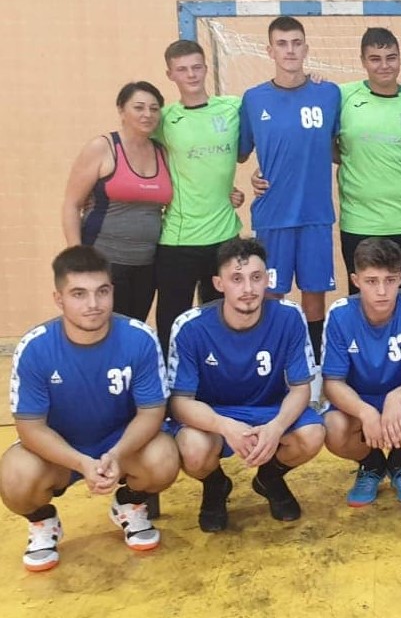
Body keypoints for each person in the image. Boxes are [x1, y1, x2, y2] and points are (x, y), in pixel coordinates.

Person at [1, 246, 178, 572]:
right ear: (59, 299)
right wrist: (80, 462)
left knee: (165, 457)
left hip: (120, 445)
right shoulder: (35, 347)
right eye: (79, 294)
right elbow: (30, 427)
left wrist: (116, 454)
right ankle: (43, 522)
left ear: (112, 291)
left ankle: (129, 505)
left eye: (102, 291)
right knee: (14, 477)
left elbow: (152, 412)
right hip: (61, 451)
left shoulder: (139, 338)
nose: (93, 304)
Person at [167, 238, 325, 532]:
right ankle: (215, 484)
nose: (248, 289)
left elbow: (300, 388)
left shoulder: (289, 316)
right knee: (192, 449)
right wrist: (225, 426)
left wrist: (276, 427)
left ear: (267, 279)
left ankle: (269, 478)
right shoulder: (190, 326)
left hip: (269, 408)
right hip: (215, 413)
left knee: (312, 435)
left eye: (256, 277)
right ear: (219, 283)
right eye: (236, 279)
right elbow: (179, 403)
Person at [239, 15, 342, 370]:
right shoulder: (253, 99)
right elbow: (239, 153)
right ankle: (271, 368)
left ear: (306, 48)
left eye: (296, 43)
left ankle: (315, 374)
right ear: (270, 51)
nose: (290, 50)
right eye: (282, 44)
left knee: (314, 297)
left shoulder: (329, 93)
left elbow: (339, 147)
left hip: (315, 214)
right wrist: (250, 177)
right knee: (271, 295)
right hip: (273, 216)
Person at [322, 238, 401, 506]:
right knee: (332, 428)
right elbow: (332, 382)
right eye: (371, 281)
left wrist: (397, 397)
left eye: (389, 280)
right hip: (360, 399)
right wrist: (364, 411)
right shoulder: (340, 314)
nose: (381, 291)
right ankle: (371, 464)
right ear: (355, 280)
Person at [155, 39, 244, 352]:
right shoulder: (163, 119)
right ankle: (171, 379)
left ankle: (220, 375)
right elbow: (131, 149)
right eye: (182, 69)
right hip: (179, 239)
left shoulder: (233, 108)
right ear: (170, 75)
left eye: (196, 67)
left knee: (223, 317)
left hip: (225, 236)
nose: (191, 74)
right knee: (172, 320)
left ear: (206, 68)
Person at [336, 28, 401, 298]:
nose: (384, 65)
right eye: (375, 59)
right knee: (366, 305)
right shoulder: (341, 98)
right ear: (363, 61)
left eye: (391, 57)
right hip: (360, 224)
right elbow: (315, 142)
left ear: (400, 58)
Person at [60, 82, 173, 321]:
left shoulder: (162, 152)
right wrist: (77, 256)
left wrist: (228, 194)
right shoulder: (102, 147)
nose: (147, 114)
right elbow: (71, 204)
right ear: (121, 110)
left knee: (133, 326)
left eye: (154, 109)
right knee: (102, 327)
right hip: (103, 261)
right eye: (139, 107)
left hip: (147, 264)